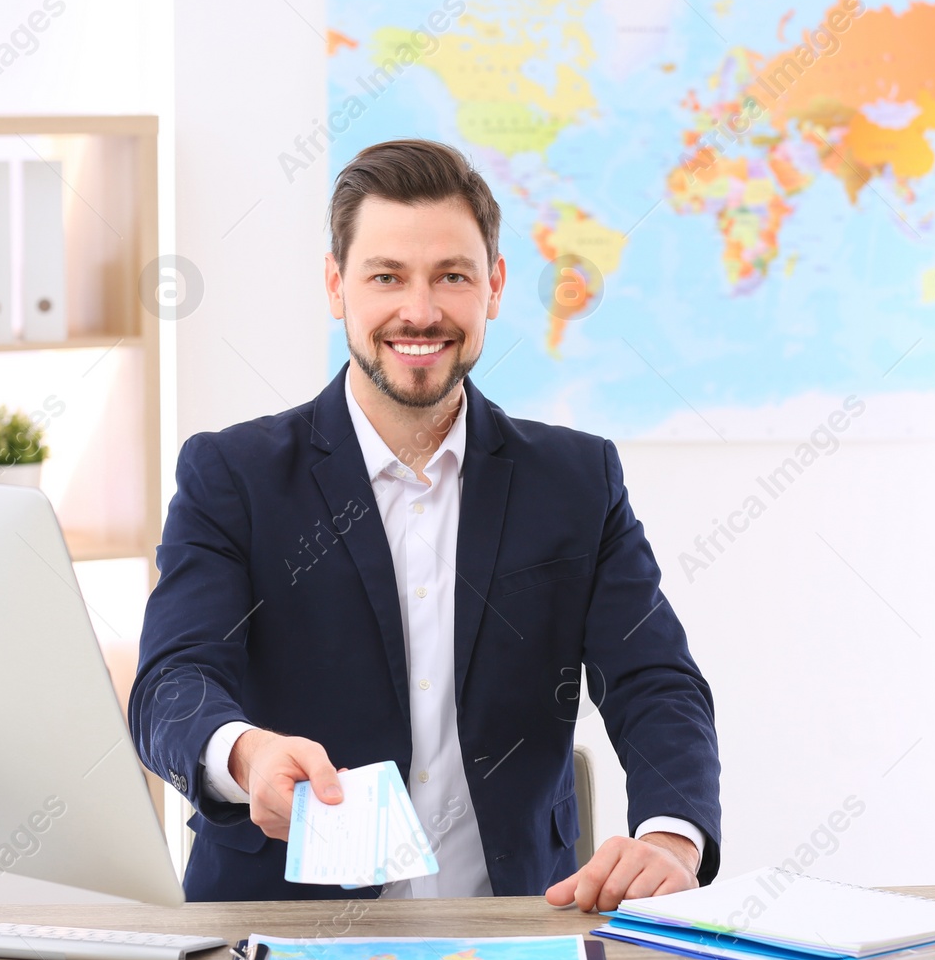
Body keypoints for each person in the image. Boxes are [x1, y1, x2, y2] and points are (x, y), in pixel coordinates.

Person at [130, 138, 720, 912]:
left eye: (451, 276)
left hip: (517, 934)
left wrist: (672, 836)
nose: (421, 310)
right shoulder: (231, 477)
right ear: (337, 285)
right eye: (387, 276)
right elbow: (172, 684)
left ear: (495, 287)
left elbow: (653, 680)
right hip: (281, 932)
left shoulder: (577, 481)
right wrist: (245, 753)